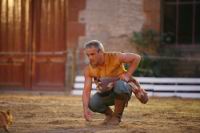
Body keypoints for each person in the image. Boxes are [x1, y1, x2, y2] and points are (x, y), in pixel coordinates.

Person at [82, 40, 148, 125]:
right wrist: (85, 109)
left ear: (101, 52)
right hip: (107, 93)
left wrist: (128, 75)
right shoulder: (88, 69)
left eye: (92, 54)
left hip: (123, 89)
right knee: (92, 103)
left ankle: (117, 117)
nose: (90, 58)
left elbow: (137, 57)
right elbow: (86, 91)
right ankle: (110, 115)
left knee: (120, 86)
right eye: (88, 55)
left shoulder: (115, 56)